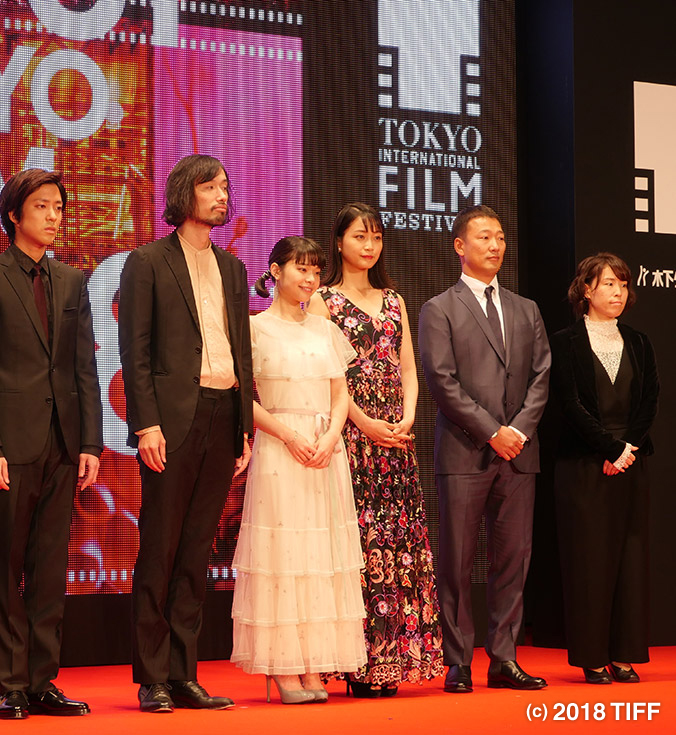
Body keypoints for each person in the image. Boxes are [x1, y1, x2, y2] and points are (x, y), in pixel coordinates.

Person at [0, 169, 103, 719]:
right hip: (9, 446)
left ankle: (43, 680)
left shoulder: (71, 280)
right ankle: (11, 684)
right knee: (7, 563)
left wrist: (90, 442)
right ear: (15, 214)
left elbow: (84, 367)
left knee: (50, 568)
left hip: (63, 443)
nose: (53, 216)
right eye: (42, 206)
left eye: (59, 207)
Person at [119, 154, 253, 713]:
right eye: (210, 187)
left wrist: (244, 426)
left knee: (197, 550)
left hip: (224, 413)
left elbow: (241, 350)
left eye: (225, 187)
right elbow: (135, 351)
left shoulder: (233, 268)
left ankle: (184, 673)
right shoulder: (147, 261)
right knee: (161, 546)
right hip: (172, 420)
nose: (222, 196)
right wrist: (145, 423)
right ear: (184, 193)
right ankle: (152, 675)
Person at [308, 203, 443, 697]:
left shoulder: (394, 299)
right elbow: (329, 376)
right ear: (338, 242)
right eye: (359, 236)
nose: (369, 246)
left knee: (399, 546)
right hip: (351, 436)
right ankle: (358, 663)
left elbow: (407, 367)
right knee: (359, 547)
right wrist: (363, 423)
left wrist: (407, 416)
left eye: (377, 237)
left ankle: (395, 660)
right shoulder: (322, 300)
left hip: (395, 439)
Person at [417, 205, 550, 694]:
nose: (495, 246)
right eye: (484, 237)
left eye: (500, 238)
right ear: (460, 246)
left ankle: (504, 658)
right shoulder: (439, 308)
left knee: (512, 560)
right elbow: (442, 382)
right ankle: (458, 661)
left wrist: (518, 432)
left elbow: (541, 376)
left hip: (520, 454)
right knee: (455, 562)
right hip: (464, 451)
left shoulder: (526, 309)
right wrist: (493, 431)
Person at [231, 236, 367, 704]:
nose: (309, 279)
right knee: (283, 555)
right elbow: (241, 398)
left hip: (326, 450)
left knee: (321, 557)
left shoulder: (325, 329)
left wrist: (330, 438)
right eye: (300, 269)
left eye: (315, 271)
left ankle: (313, 667)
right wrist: (288, 435)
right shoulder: (254, 328)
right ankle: (284, 668)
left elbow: (339, 393)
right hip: (279, 447)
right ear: (275, 271)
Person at [551, 253, 658, 685]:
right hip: (584, 465)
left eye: (623, 284)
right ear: (586, 290)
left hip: (631, 463)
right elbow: (570, 404)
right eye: (609, 283)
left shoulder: (639, 341)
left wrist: (626, 449)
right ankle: (593, 658)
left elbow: (649, 399)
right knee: (589, 561)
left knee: (630, 559)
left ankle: (624, 654)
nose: (619, 292)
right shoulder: (566, 342)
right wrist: (609, 448)